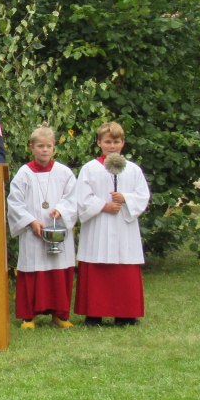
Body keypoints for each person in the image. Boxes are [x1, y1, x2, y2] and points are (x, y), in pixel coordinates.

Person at [73, 121, 151, 326]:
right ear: (99, 142)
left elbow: (142, 195)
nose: (112, 146)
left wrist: (125, 198)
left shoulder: (132, 170)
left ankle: (125, 314)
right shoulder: (89, 169)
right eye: (108, 142)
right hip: (98, 225)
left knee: (124, 267)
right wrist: (103, 206)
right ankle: (94, 313)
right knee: (96, 264)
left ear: (123, 143)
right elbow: (81, 198)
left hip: (123, 228)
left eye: (116, 142)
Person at [6, 126, 77, 329]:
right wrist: (30, 221)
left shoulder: (64, 173)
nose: (44, 150)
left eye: (49, 146)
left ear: (54, 148)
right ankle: (29, 316)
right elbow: (15, 202)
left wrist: (61, 210)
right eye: (40, 146)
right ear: (31, 147)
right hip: (33, 231)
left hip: (58, 229)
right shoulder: (24, 173)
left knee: (59, 270)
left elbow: (73, 197)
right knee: (32, 271)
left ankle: (60, 314)